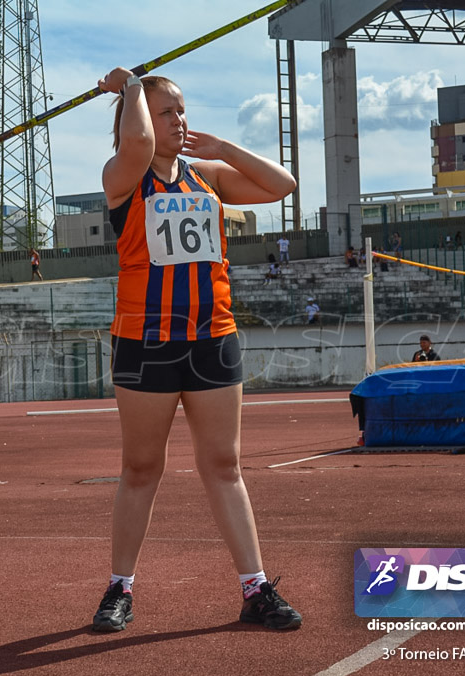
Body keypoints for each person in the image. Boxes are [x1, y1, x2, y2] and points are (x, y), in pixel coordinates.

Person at [92, 67, 301, 633]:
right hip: (145, 342)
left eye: (182, 110)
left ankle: (255, 589)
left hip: (213, 337)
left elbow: (282, 185)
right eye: (167, 112)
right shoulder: (124, 176)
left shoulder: (207, 175)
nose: (178, 120)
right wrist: (131, 87)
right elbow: (136, 143)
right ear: (137, 117)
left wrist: (224, 147)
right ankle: (120, 588)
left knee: (224, 465)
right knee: (141, 468)